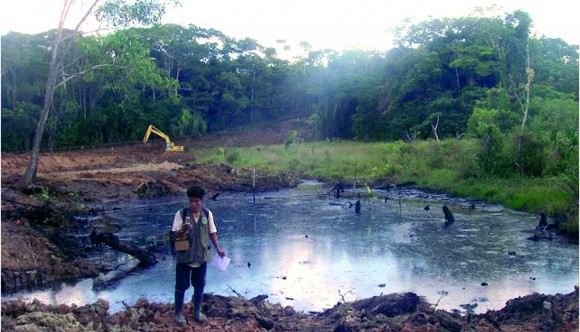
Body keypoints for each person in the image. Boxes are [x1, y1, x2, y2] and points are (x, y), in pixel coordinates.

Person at [172, 185, 226, 325]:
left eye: (196, 201)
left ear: (201, 201)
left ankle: (197, 311)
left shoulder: (207, 214)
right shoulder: (181, 214)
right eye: (191, 201)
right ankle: (178, 313)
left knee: (200, 284)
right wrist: (183, 229)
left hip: (201, 256)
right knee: (181, 285)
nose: (193, 204)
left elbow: (212, 232)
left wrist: (218, 249)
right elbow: (175, 234)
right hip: (184, 256)